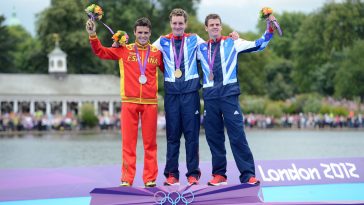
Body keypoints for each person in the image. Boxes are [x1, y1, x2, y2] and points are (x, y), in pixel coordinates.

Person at [197, 13, 276, 186]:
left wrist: (269, 30)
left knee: (237, 136)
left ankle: (247, 175)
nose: (215, 27)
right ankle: (219, 175)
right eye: (211, 25)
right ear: (206, 28)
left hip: (229, 96)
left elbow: (258, 44)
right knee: (214, 137)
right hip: (210, 98)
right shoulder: (200, 48)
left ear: (221, 26)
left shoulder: (233, 42)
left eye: (217, 24)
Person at [86, 17, 164, 187]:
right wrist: (92, 35)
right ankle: (127, 179)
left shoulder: (157, 53)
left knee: (150, 143)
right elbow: (100, 52)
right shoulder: (124, 50)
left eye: (146, 32)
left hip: (150, 103)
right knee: (128, 144)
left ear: (150, 33)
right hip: (129, 102)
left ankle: (150, 178)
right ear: (134, 33)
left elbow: (170, 71)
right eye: (140, 32)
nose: (143, 35)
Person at [152, 8, 204, 186]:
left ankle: (193, 174)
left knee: (192, 136)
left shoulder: (195, 39)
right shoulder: (162, 41)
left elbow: (213, 47)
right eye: (174, 23)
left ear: (185, 24)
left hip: (190, 95)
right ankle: (172, 174)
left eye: (180, 23)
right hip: (172, 95)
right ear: (170, 23)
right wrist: (122, 45)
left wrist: (233, 38)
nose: (177, 26)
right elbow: (144, 52)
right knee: (172, 137)